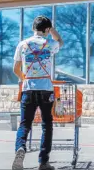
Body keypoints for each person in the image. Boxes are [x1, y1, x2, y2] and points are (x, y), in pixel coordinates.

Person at [11, 16, 64, 170]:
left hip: (28, 88)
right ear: (46, 29)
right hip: (46, 89)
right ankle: (43, 161)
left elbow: (15, 69)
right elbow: (60, 41)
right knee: (47, 124)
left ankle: (20, 148)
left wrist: (26, 79)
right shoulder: (49, 44)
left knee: (25, 123)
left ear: (33, 28)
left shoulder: (23, 44)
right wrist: (52, 29)